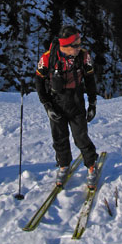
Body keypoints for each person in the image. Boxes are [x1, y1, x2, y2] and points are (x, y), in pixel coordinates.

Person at [35, 25, 99, 188]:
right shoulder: (48, 58)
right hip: (56, 101)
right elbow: (39, 82)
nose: (79, 47)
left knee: (81, 136)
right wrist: (47, 106)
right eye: (75, 45)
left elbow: (90, 79)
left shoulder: (84, 56)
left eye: (79, 43)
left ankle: (91, 164)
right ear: (65, 46)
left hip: (76, 100)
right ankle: (64, 164)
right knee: (59, 137)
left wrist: (92, 103)